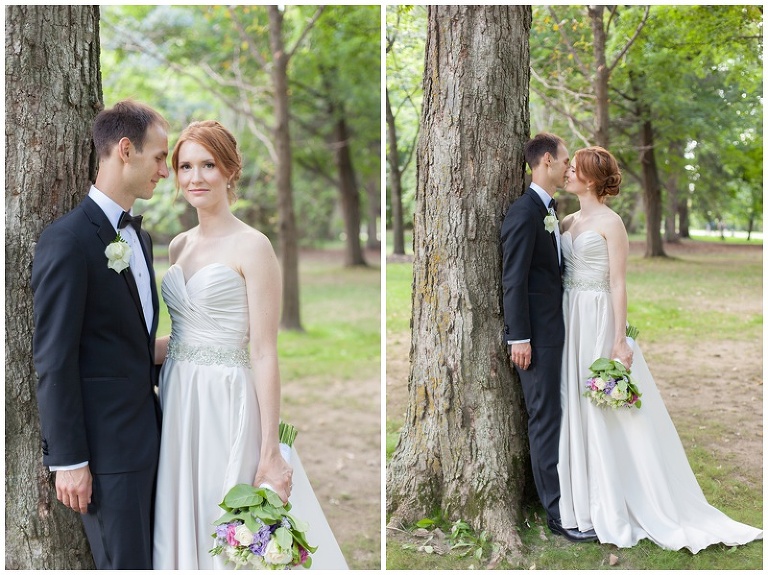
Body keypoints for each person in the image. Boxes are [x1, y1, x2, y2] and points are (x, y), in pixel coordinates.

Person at [151, 120, 348, 569]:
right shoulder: (178, 246)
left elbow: (263, 350)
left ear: (230, 171)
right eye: (184, 166)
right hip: (180, 400)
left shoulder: (253, 246)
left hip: (227, 400)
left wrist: (269, 451)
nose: (195, 177)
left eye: (208, 165)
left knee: (230, 517)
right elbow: (184, 336)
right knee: (187, 508)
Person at [557, 145, 762, 552]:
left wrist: (618, 339)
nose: (567, 173)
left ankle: (616, 498)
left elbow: (618, 283)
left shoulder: (611, 223)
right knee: (572, 403)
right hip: (568, 317)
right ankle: (578, 493)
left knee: (603, 407)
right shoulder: (565, 221)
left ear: (592, 178)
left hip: (597, 318)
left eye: (574, 169)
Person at [31, 100, 169, 568]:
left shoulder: (140, 239)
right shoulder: (67, 240)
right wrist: (69, 460)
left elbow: (124, 343)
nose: (165, 172)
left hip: (153, 438)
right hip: (106, 455)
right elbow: (54, 358)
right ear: (125, 150)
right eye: (159, 157)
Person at [500, 133, 597, 543]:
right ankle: (557, 513)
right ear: (544, 161)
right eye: (563, 161)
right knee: (545, 419)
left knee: (556, 416)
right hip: (534, 338)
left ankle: (568, 499)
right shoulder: (524, 213)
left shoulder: (551, 210)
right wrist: (518, 337)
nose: (566, 167)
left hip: (557, 332)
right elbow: (513, 279)